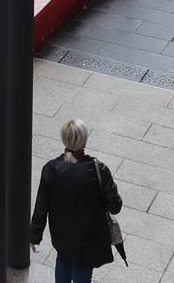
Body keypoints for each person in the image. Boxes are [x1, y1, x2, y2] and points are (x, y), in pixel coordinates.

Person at [29, 119, 123, 283]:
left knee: (63, 260)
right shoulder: (98, 169)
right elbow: (115, 206)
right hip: (89, 235)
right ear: (84, 141)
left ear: (64, 140)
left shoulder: (51, 169)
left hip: (62, 233)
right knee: (83, 270)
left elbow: (41, 207)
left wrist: (34, 236)